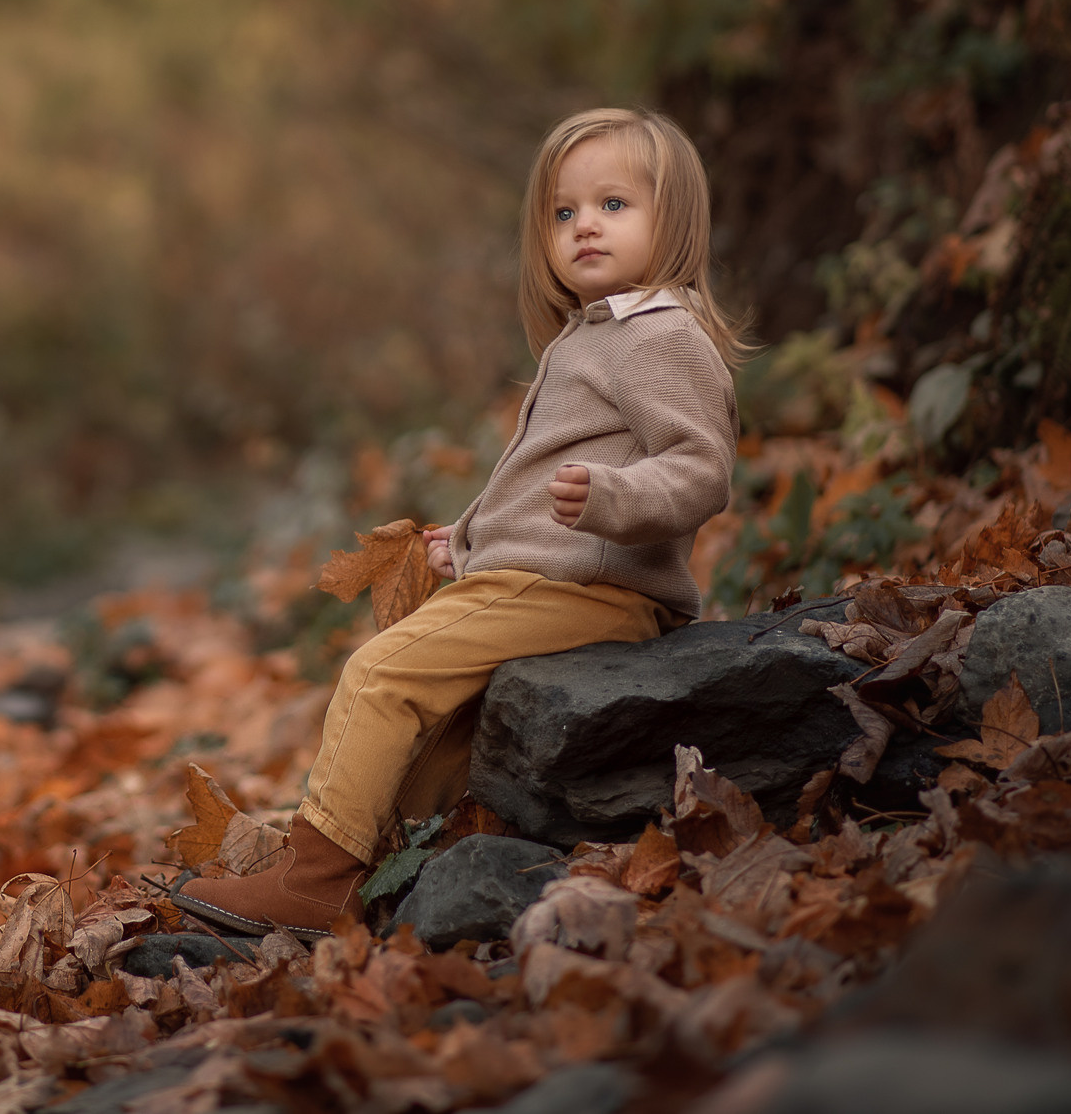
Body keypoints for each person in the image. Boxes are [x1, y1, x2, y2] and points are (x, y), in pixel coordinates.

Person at [170, 107, 751, 939]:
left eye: (614, 204)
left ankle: (315, 881)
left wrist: (613, 499)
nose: (584, 223)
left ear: (676, 219)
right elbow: (534, 482)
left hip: (587, 587)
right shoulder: (592, 337)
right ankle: (379, 859)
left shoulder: (658, 336)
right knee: (438, 736)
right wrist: (470, 539)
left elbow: (701, 470)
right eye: (564, 211)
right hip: (545, 577)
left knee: (381, 674)